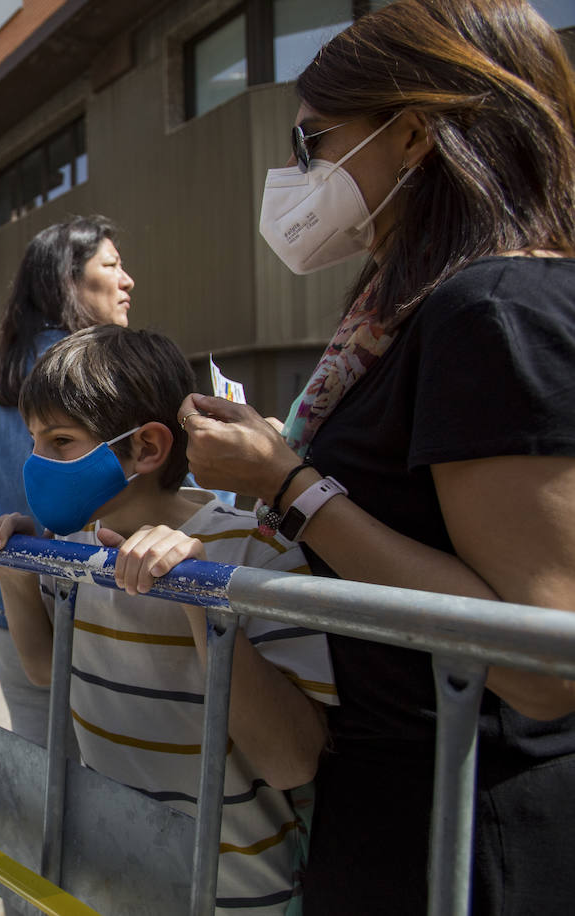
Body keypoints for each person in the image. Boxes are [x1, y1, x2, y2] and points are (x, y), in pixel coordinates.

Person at [179, 2, 575, 911]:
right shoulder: (415, 313)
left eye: (314, 141)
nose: (294, 172)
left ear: (412, 139)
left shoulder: (494, 311)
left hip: (472, 832)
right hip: (402, 802)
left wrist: (287, 483)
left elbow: (539, 664)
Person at [0, 325, 335, 913]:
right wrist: (14, 572)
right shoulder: (78, 547)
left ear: (146, 448)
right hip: (117, 876)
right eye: (33, 442)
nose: (37, 464)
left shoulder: (253, 551)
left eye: (60, 442)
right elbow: (46, 671)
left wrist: (201, 601)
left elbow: (292, 760)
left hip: (231, 892)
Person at [0, 214, 134, 745]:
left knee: (41, 772)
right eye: (111, 265)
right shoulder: (105, 373)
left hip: (9, 605)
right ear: (70, 281)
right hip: (101, 603)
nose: (127, 280)